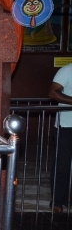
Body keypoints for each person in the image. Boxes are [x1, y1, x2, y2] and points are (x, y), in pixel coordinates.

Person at [48, 63, 72, 213]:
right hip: (66, 124)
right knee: (62, 165)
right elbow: (53, 93)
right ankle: (57, 200)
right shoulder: (67, 70)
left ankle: (69, 199)